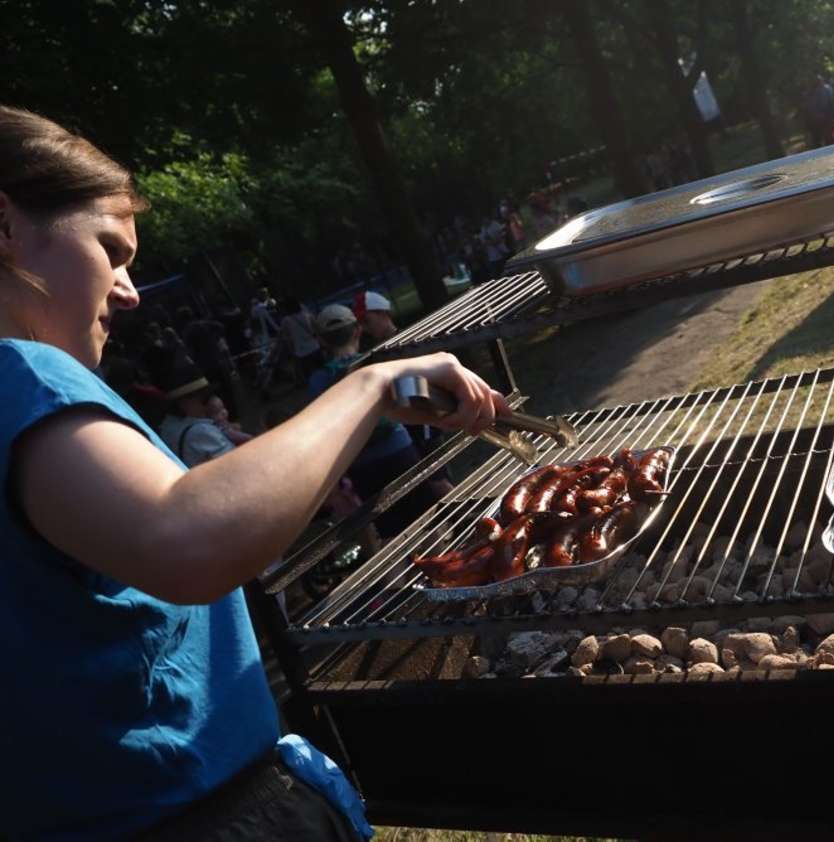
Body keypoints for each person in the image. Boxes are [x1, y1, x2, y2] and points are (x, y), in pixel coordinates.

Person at [0, 104, 506, 839]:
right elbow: (186, 536)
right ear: (5, 227)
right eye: (111, 251)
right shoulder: (20, 371)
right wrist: (366, 388)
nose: (130, 290)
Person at [309, 304, 452, 538]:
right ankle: (443, 568)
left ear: (321, 341)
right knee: (428, 522)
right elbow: (408, 400)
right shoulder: (376, 363)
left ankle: (400, 574)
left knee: (390, 533)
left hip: (360, 463)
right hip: (399, 450)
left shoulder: (317, 381)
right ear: (357, 331)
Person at [804, 74, 834, 148]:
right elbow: (811, 106)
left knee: (828, 136)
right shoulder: (812, 92)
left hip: (826, 116)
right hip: (820, 118)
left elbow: (830, 102)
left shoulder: (826, 89)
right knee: (820, 137)